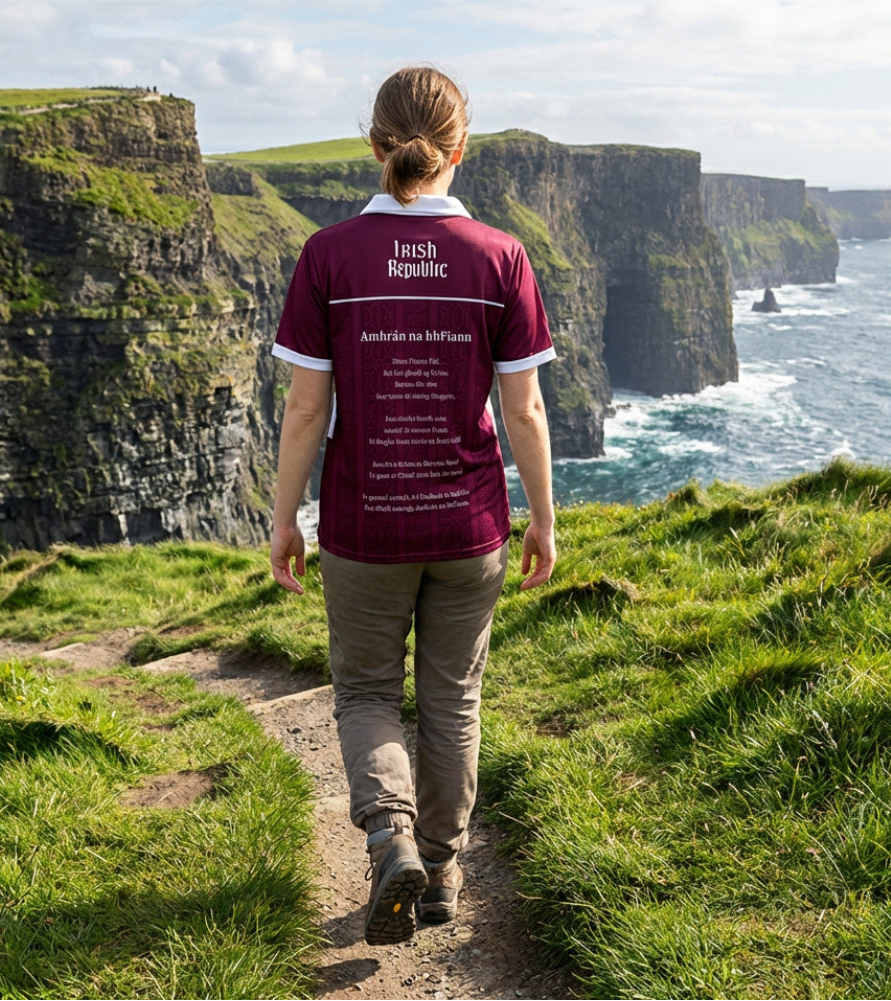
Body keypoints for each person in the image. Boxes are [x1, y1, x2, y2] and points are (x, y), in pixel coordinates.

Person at [269, 65, 557, 947]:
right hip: (469, 526)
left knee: (365, 690)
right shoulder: (500, 256)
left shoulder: (328, 255)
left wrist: (285, 519)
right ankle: (442, 870)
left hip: (363, 526)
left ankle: (389, 837)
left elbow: (306, 410)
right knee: (452, 698)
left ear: (374, 145)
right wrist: (543, 517)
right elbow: (523, 410)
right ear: (461, 147)